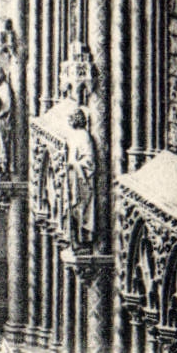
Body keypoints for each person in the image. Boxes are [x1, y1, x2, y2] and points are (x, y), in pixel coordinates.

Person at [65, 107, 96, 249]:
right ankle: (75, 239)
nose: (68, 121)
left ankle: (82, 238)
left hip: (82, 177)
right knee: (73, 206)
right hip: (73, 176)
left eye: (70, 118)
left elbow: (89, 160)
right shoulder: (73, 135)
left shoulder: (84, 136)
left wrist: (74, 164)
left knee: (81, 207)